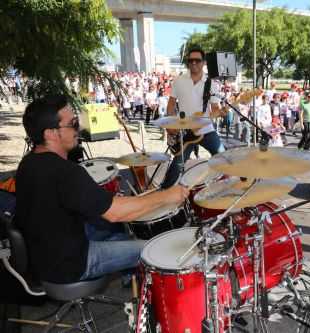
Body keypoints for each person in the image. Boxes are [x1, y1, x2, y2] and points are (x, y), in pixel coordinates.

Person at [14, 95, 189, 284]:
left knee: (116, 232)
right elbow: (115, 213)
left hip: (43, 255)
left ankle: (129, 278)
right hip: (70, 263)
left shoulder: (27, 163)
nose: (78, 128)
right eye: (72, 123)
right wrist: (167, 196)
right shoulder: (66, 172)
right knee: (150, 249)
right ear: (50, 134)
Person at [160, 47, 225, 189]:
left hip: (206, 129)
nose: (194, 63)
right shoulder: (179, 81)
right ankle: (164, 192)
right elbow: (171, 105)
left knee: (223, 157)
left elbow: (215, 109)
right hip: (185, 131)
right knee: (177, 165)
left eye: (197, 60)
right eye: (191, 60)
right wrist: (170, 127)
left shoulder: (211, 84)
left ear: (203, 62)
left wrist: (221, 112)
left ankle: (225, 189)